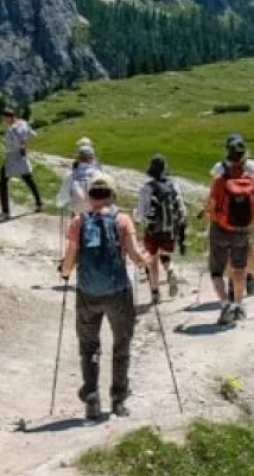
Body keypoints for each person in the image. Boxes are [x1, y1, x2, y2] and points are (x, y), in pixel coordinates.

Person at [59, 174, 154, 419]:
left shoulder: (78, 221)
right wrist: (146, 260)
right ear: (112, 195)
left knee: (89, 346)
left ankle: (91, 398)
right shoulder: (122, 220)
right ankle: (118, 399)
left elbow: (70, 256)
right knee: (121, 344)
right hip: (118, 292)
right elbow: (134, 255)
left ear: (90, 197)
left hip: (88, 292)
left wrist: (65, 271)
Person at [206, 135, 254, 325]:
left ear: (228, 155)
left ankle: (225, 304)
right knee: (239, 268)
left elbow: (212, 203)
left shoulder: (219, 179)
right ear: (244, 156)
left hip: (220, 228)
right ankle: (239, 306)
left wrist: (209, 216)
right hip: (242, 229)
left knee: (217, 271)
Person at [135, 154, 186, 303]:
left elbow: (140, 213)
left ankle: (155, 293)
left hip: (152, 229)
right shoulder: (173, 185)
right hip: (169, 228)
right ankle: (170, 269)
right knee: (165, 253)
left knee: (152, 260)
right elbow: (181, 208)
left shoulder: (147, 188)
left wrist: (136, 217)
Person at [0, 107, 43, 218]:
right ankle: (39, 204)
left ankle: (5, 211)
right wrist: (24, 143)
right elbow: (33, 134)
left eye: (4, 118)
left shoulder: (10, 130)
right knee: (28, 179)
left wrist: (9, 144)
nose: (4, 120)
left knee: (2, 182)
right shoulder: (23, 123)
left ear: (9, 117)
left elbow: (9, 145)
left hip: (12, 156)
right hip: (22, 155)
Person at [57, 142, 101, 216]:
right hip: (94, 212)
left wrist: (61, 203)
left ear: (78, 158)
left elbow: (63, 196)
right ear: (92, 158)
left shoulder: (71, 175)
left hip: (77, 212)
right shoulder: (99, 175)